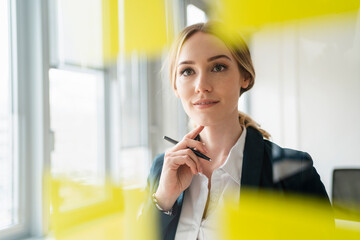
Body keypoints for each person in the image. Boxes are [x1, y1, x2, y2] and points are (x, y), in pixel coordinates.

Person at [141, 22, 332, 240]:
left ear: (245, 76)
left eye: (218, 67)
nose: (201, 85)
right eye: (187, 71)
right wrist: (163, 199)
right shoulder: (162, 168)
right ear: (176, 86)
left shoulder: (294, 171)